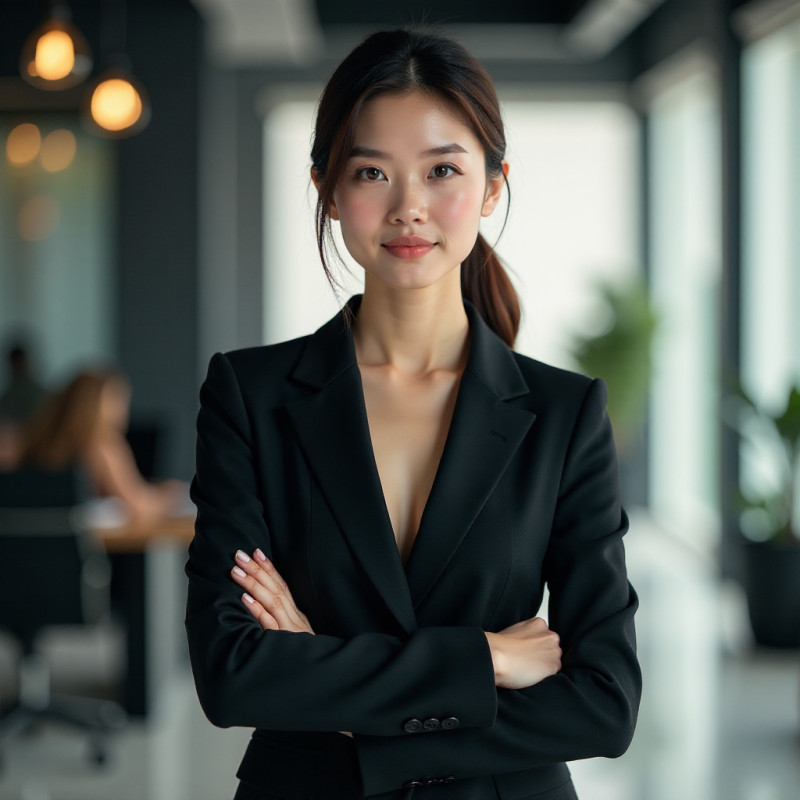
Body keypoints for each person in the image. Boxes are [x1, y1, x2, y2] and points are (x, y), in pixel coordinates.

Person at [185, 27, 641, 800]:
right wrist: (485, 661)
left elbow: (604, 704)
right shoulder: (248, 395)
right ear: (328, 187)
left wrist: (335, 693)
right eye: (372, 171)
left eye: (442, 171)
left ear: (493, 186)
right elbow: (233, 675)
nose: (408, 209)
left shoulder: (566, 413)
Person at [13, 367, 185, 525]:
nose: (124, 410)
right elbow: (137, 506)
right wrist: (168, 497)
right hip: (92, 554)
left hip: (34, 553)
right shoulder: (102, 447)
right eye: (118, 399)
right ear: (98, 404)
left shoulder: (37, 444)